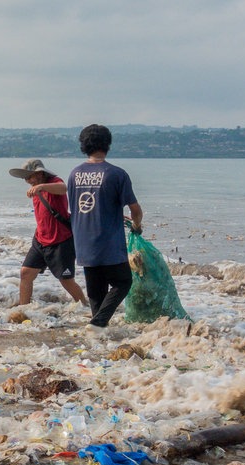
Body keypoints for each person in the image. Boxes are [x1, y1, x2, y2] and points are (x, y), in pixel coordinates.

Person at [67, 124, 143, 328]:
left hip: (83, 242)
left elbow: (77, 207)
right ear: (108, 145)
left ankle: (97, 337)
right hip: (108, 243)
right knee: (123, 282)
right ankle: (98, 324)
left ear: (83, 146)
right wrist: (136, 225)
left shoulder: (74, 174)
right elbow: (135, 209)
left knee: (97, 295)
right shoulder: (116, 174)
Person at [9, 159, 87, 309]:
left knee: (66, 280)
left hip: (60, 240)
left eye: (29, 177)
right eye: (25, 178)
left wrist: (42, 186)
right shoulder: (35, 187)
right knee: (25, 273)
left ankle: (86, 307)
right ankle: (23, 309)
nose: (27, 181)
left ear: (39, 174)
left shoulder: (53, 182)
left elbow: (64, 188)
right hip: (40, 239)